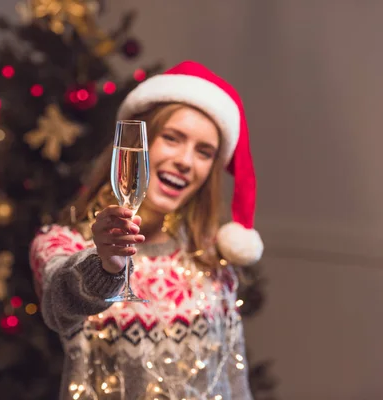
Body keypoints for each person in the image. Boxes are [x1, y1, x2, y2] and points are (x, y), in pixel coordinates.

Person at [29, 60, 264, 400]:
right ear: (138, 143)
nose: (185, 161)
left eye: (204, 152)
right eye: (172, 138)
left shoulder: (211, 255)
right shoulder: (59, 243)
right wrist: (105, 265)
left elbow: (233, 380)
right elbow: (61, 303)